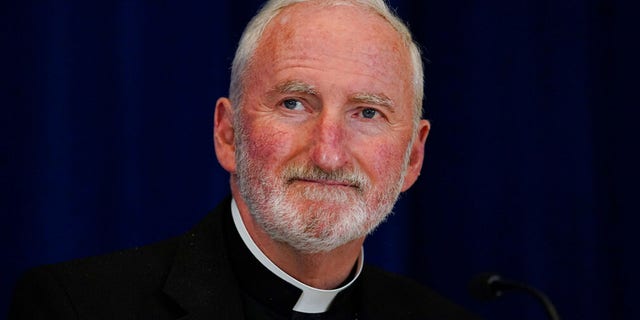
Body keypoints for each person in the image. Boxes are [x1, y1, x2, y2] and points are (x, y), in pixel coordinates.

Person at [10, 0, 480, 319]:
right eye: (294, 103)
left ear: (413, 157)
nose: (329, 153)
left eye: (368, 112)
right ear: (228, 134)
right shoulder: (77, 308)